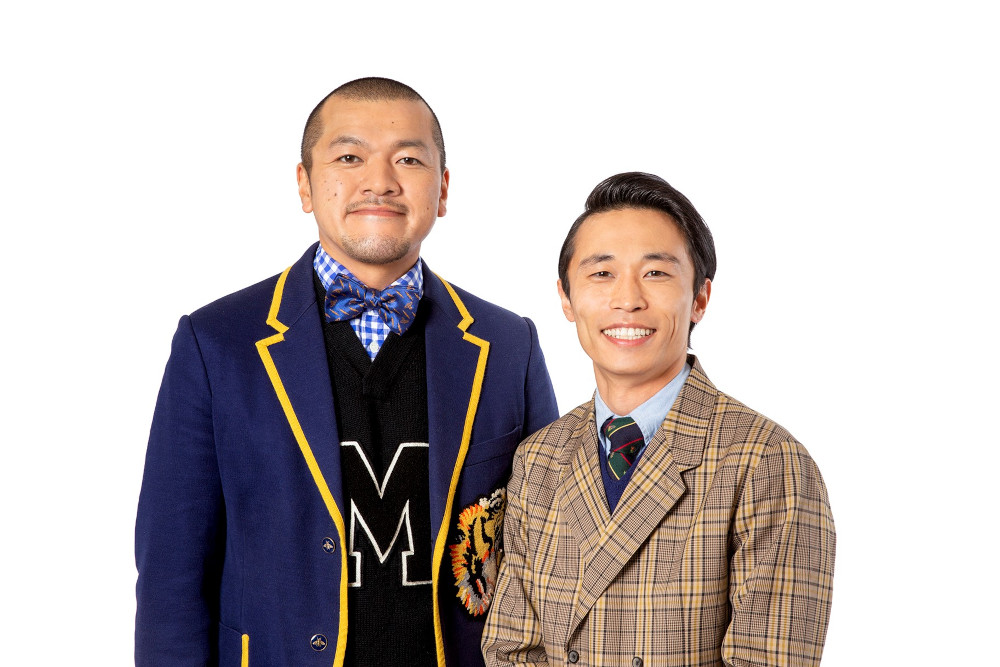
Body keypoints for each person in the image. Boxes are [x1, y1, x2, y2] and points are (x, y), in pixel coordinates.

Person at [135, 77, 559, 666]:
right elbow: (170, 580)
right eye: (349, 158)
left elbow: (548, 566)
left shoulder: (509, 346)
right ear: (305, 184)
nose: (379, 181)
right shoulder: (217, 344)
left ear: (442, 189)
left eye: (408, 159)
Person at [481, 172, 835, 666]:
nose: (628, 299)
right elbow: (511, 650)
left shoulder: (766, 461)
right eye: (601, 273)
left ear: (699, 299)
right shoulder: (540, 458)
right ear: (566, 298)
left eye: (655, 273)